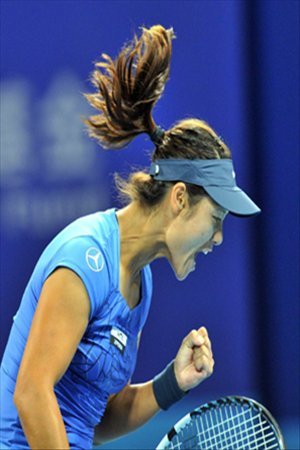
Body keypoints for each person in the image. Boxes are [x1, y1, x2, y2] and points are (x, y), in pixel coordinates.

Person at [0, 25, 260, 449]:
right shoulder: (84, 259)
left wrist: (172, 383)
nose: (218, 238)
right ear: (179, 198)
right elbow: (31, 394)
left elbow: (97, 418)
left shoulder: (141, 284)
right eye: (215, 218)